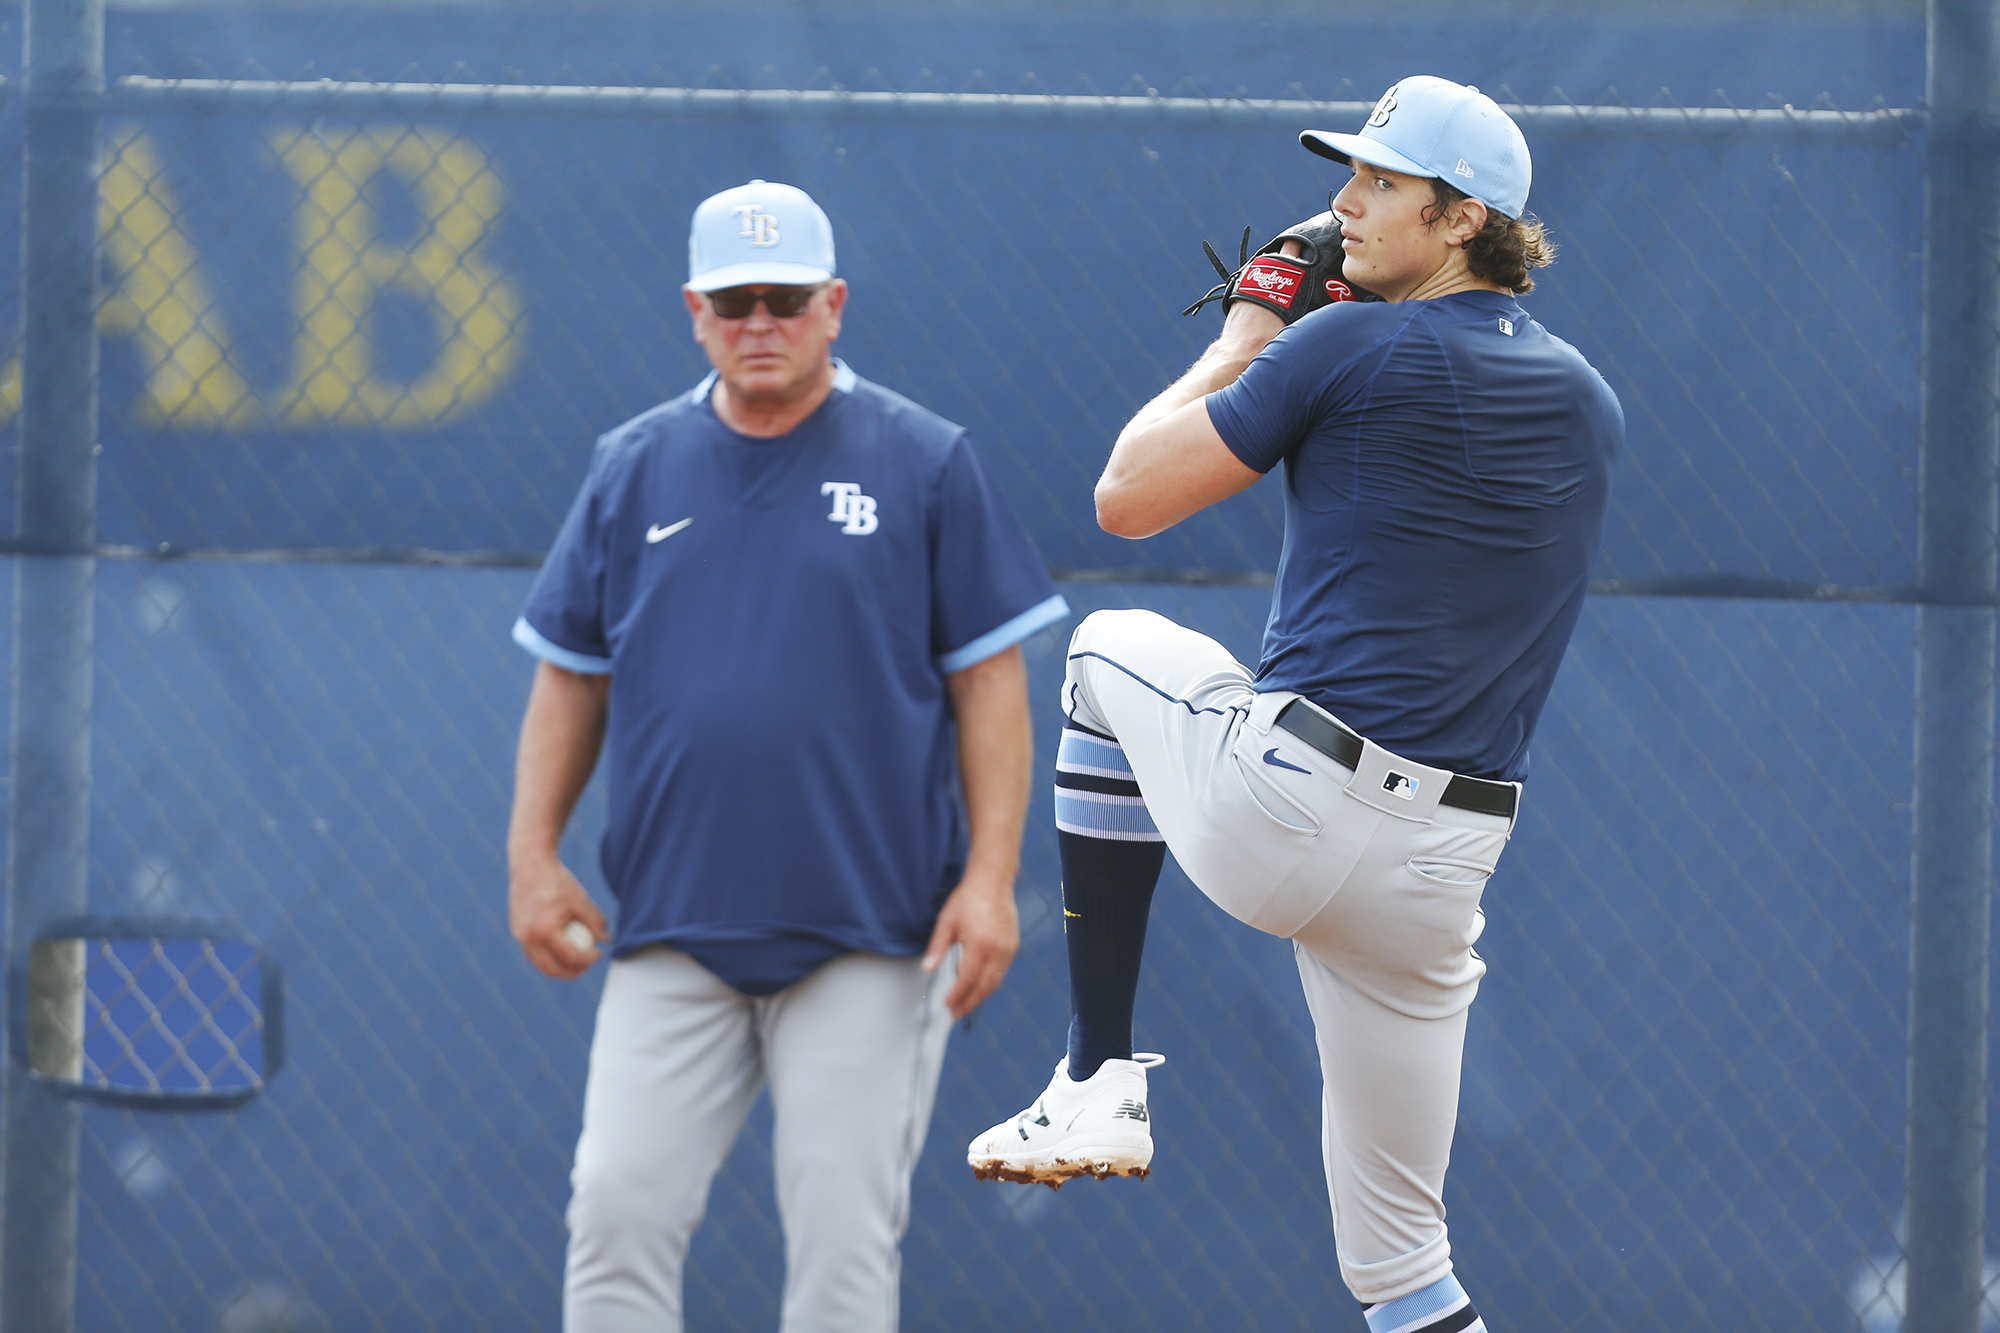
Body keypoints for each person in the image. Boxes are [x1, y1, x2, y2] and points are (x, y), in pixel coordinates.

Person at [968, 77, 1622, 1333]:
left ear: (1459, 217)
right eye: (1352, 173)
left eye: (1381, 182)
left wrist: (1249, 332)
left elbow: (1123, 495)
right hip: (1440, 869)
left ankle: (1098, 1073)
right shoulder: (1585, 399)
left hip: (1286, 809)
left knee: (1103, 647)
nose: (1341, 201)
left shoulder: (1339, 343)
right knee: (1404, 1272)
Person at [507, 179, 1069, 1333]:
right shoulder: (633, 465)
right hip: (672, 927)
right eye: (733, 300)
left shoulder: (923, 459)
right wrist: (531, 853)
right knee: (612, 1217)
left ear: (833, 306)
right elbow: (570, 672)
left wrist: (990, 878)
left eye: (784, 298)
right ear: (694, 313)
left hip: (868, 931)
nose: (758, 321)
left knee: (841, 1253)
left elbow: (988, 681)